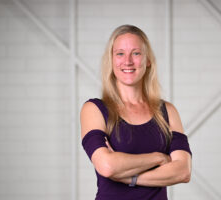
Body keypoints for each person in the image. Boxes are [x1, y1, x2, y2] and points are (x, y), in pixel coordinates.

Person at [80, 24, 192, 200]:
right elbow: (107, 166)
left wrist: (129, 177)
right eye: (120, 54)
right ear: (111, 60)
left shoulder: (167, 112)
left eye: (136, 53)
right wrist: (158, 158)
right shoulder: (95, 109)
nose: (128, 61)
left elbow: (183, 171)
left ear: (147, 60)